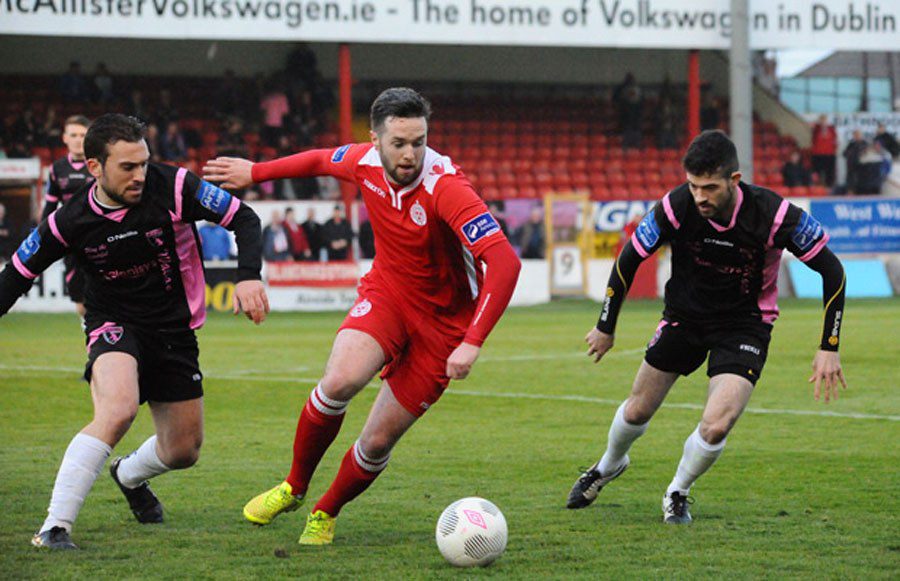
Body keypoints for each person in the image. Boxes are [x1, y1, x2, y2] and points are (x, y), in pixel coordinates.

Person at [203, 87, 521, 545]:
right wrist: (256, 171)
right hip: (389, 294)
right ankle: (293, 486)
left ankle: (325, 511)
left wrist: (472, 341)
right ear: (375, 139)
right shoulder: (363, 161)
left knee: (376, 442)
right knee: (338, 382)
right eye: (399, 143)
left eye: (419, 142)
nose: (410, 154)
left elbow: (504, 262)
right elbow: (318, 160)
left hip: (444, 327)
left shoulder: (447, 187)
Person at [0, 113, 268, 550]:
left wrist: (249, 276)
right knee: (119, 408)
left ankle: (127, 474)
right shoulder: (68, 220)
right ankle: (55, 526)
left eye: (143, 163)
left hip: (174, 328)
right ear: (94, 167)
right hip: (113, 322)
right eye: (127, 167)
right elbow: (15, 275)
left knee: (183, 451)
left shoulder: (174, 186)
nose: (140, 175)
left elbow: (245, 218)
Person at [566, 130, 846, 524]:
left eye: (710, 187)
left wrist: (829, 346)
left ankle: (677, 491)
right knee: (638, 409)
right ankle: (608, 465)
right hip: (684, 318)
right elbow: (629, 259)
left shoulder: (774, 215)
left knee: (717, 425)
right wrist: (605, 326)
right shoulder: (676, 206)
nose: (700, 197)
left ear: (734, 180)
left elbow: (832, 270)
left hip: (745, 325)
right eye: (694, 185)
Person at [42, 115, 93, 318]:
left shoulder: (100, 165)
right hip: (71, 240)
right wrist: (41, 236)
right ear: (65, 138)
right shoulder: (57, 169)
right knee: (80, 300)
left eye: (82, 135)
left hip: (99, 235)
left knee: (105, 292)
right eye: (73, 135)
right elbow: (50, 206)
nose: (78, 140)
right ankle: (89, 329)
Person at [810, 115, 837, 187]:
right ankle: (817, 186)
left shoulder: (831, 129)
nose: (823, 122)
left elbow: (835, 141)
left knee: (829, 172)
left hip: (829, 154)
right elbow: (813, 140)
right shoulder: (816, 129)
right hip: (818, 154)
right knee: (817, 172)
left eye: (824, 120)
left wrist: (833, 150)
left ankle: (829, 186)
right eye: (821, 120)